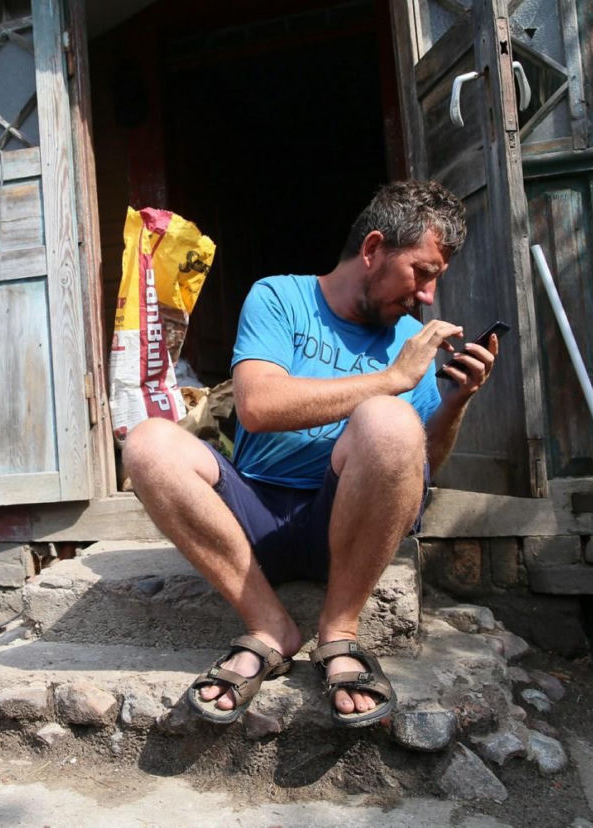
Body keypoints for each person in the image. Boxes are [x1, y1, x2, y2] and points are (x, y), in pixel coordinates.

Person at [122, 180, 498, 728]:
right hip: (249, 523)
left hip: (344, 531)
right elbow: (257, 406)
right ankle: (269, 625)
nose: (427, 295)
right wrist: (390, 379)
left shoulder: (410, 342)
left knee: (392, 423)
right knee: (148, 442)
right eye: (422, 272)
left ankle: (339, 631)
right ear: (373, 249)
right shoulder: (280, 297)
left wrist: (456, 402)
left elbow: (416, 468)